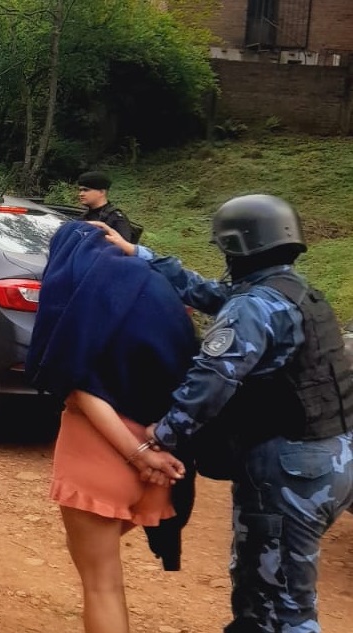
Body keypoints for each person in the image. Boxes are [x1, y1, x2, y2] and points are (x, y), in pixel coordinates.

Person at [95, 194, 353, 633]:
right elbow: (212, 294)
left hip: (291, 470)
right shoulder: (294, 291)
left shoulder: (253, 306)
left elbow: (212, 378)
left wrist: (165, 433)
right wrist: (139, 253)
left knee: (278, 603)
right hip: (333, 459)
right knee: (266, 589)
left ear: (236, 248)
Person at [26, 220, 198, 633]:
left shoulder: (80, 301)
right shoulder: (158, 290)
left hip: (104, 456)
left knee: (101, 585)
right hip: (163, 459)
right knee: (97, 567)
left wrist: (137, 456)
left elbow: (76, 387)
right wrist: (158, 450)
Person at [76, 171, 136, 243]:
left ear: (102, 192)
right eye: (80, 190)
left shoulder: (116, 218)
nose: (81, 194)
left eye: (86, 190)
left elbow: (123, 246)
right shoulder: (83, 216)